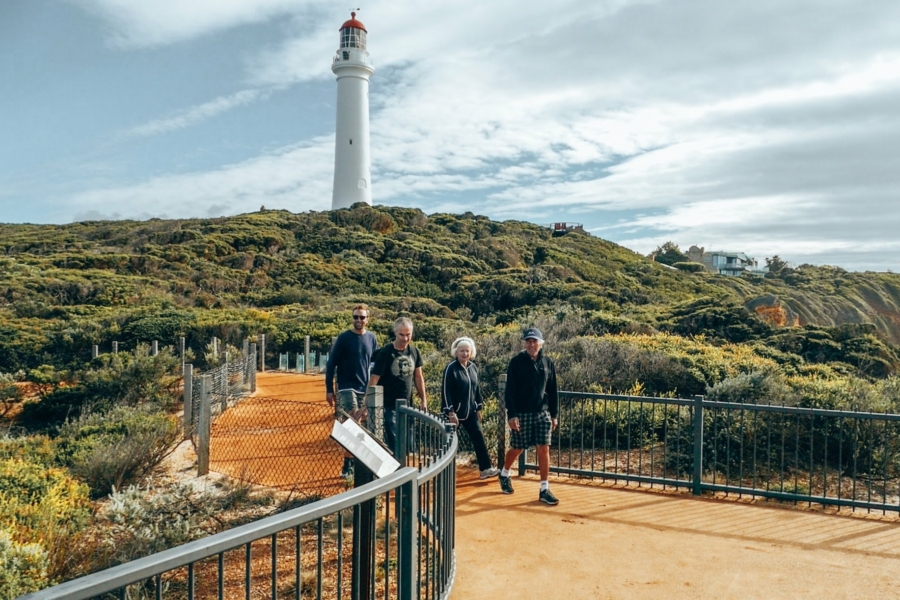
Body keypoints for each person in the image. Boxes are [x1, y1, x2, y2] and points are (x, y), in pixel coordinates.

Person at [498, 328, 560, 505]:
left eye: (535, 341)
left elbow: (553, 390)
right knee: (518, 448)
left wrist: (554, 415)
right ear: (525, 343)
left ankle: (544, 488)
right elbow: (510, 391)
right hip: (522, 413)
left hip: (542, 413)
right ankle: (504, 473)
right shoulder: (516, 362)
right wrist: (512, 415)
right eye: (528, 341)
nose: (531, 344)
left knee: (544, 448)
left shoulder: (548, 363)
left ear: (541, 343)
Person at [325, 304, 378, 477]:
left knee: (359, 423)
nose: (358, 320)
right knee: (353, 421)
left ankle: (353, 460)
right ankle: (348, 465)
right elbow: (331, 364)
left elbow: (375, 364)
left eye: (362, 317)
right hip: (347, 386)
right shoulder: (344, 338)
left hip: (365, 386)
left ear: (367, 319)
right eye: (356, 317)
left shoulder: (372, 338)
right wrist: (329, 389)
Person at [441, 337, 500, 480]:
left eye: (467, 351)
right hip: (454, 413)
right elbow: (445, 391)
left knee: (478, 437)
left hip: (470, 412)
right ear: (456, 352)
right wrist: (450, 412)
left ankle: (485, 469)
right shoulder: (451, 368)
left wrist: (478, 407)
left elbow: (476, 389)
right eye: (462, 351)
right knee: (449, 442)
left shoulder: (473, 367)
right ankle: (444, 472)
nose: (465, 353)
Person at [369, 317, 427, 452]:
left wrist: (424, 400)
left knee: (409, 445)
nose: (405, 338)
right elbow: (374, 378)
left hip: (408, 404)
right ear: (395, 332)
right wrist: (368, 401)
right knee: (394, 444)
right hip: (389, 405)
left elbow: (418, 377)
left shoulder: (414, 351)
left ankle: (407, 470)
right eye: (402, 334)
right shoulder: (385, 352)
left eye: (408, 334)